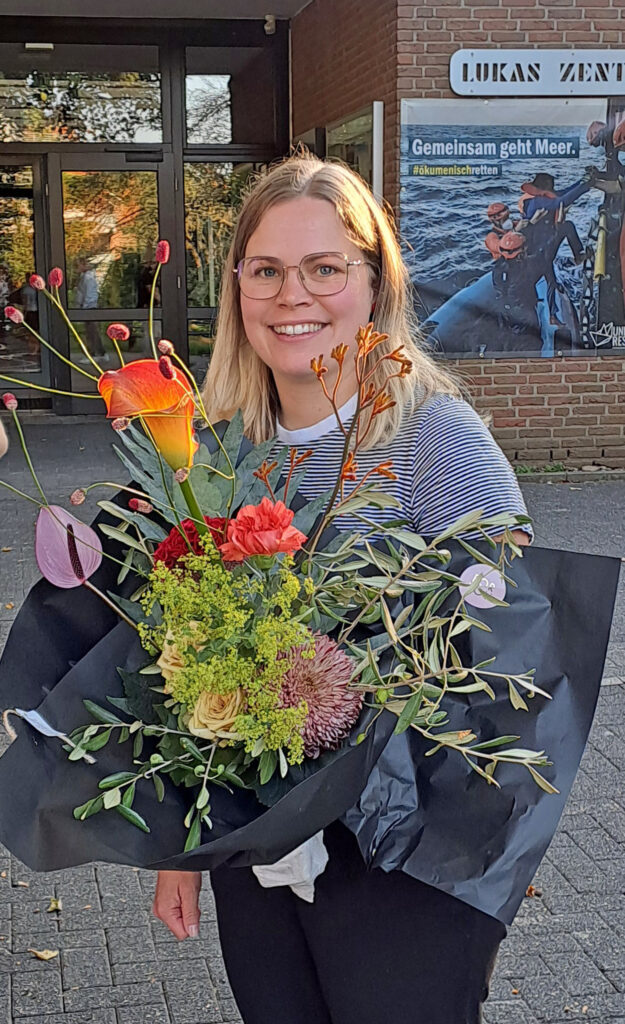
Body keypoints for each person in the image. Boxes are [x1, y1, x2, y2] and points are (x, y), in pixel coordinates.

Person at [153, 153, 532, 1024]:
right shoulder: (216, 452)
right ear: (238, 289)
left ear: (374, 285)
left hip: (400, 861)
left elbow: (514, 658)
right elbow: (176, 657)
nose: (294, 296)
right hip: (256, 848)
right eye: (268, 270)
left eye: (324, 268)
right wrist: (183, 835)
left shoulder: (435, 440)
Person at [518, 171, 594, 325]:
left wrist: (584, 180)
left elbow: (563, 193)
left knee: (550, 279)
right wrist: (587, 185)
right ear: (545, 186)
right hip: (538, 249)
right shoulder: (538, 201)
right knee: (548, 278)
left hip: (545, 243)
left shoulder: (542, 196)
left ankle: (552, 316)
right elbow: (562, 201)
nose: (554, 189)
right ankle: (546, 315)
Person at [74, 257, 104, 357]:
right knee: (93, 332)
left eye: (77, 266)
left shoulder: (88, 278)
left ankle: (95, 354)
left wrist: (85, 308)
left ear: (83, 265)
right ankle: (101, 353)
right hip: (88, 307)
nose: (75, 269)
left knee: (92, 332)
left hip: (90, 308)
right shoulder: (84, 277)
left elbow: (90, 294)